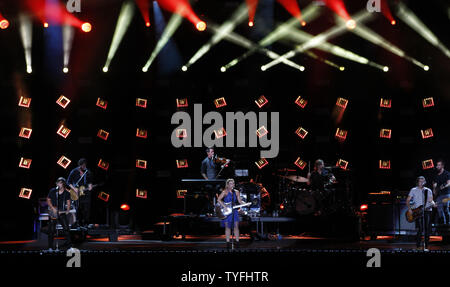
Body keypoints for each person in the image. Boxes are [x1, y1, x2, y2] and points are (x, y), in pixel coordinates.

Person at [406, 176, 435, 251]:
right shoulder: (413, 190)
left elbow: (430, 200)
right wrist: (409, 209)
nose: (422, 182)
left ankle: (426, 246)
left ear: (425, 182)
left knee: (427, 229)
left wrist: (434, 203)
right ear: (417, 182)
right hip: (418, 211)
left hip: (427, 210)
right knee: (420, 228)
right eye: (420, 181)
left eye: (423, 181)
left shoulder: (428, 190)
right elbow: (408, 200)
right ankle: (418, 245)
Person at [217, 178, 245, 249]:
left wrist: (245, 203)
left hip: (234, 211)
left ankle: (237, 242)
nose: (233, 184)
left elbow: (240, 202)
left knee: (236, 226)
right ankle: (228, 243)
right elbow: (219, 199)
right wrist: (224, 206)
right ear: (228, 184)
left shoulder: (237, 192)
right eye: (231, 183)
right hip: (227, 211)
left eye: (233, 183)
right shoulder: (225, 192)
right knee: (227, 226)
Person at [47, 177, 72, 250]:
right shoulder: (53, 191)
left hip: (61, 212)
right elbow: (48, 200)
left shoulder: (67, 193)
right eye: (57, 182)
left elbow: (68, 201)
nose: (58, 184)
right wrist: (52, 208)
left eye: (60, 183)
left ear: (63, 184)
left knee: (66, 229)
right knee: (51, 230)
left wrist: (67, 210)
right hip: (53, 211)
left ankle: (69, 246)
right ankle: (50, 247)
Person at [67, 158, 93, 227]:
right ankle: (78, 223)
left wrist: (90, 186)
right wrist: (74, 188)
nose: (84, 167)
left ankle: (86, 224)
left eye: (85, 165)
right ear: (79, 165)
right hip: (77, 193)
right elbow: (68, 182)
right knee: (78, 208)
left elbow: (90, 182)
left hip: (85, 192)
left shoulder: (88, 172)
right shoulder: (74, 171)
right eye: (82, 165)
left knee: (87, 208)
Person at [432, 159, 450, 225]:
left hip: (446, 195)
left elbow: (449, 183)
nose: (437, 166)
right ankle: (443, 224)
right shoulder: (436, 175)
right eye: (437, 165)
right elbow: (435, 185)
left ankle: (448, 223)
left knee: (445, 209)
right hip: (439, 195)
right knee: (439, 210)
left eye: (439, 165)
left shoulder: (447, 173)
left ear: (442, 166)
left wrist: (444, 186)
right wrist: (434, 189)